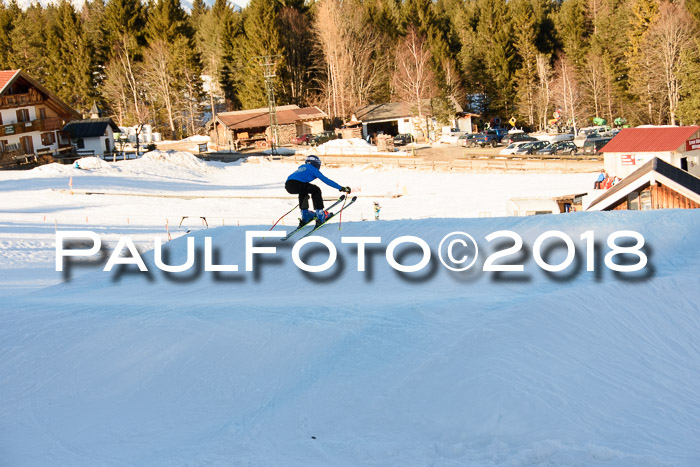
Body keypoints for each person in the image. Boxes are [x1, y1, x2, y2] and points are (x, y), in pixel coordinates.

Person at [286, 155, 351, 226]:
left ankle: (305, 214)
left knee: (303, 192)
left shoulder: (303, 168)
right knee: (316, 190)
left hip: (288, 185)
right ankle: (320, 215)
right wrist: (341, 188)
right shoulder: (313, 169)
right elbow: (326, 180)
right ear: (316, 163)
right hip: (297, 183)